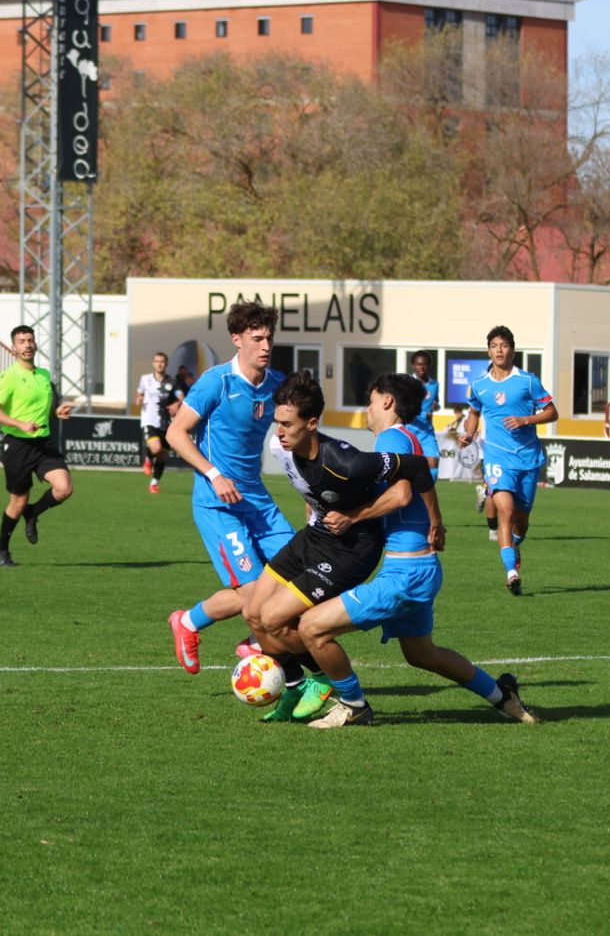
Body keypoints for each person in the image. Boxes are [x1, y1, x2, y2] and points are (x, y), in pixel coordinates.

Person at [294, 373, 538, 729]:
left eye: (371, 400)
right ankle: (502, 696)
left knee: (311, 627)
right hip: (416, 567)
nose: (367, 408)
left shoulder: (392, 437)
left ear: (388, 402)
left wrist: (351, 516)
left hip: (406, 573)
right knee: (422, 654)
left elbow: (402, 495)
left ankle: (353, 705)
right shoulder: (406, 437)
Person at [240, 370, 441, 726]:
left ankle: (320, 680)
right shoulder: (279, 446)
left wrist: (435, 520)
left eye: (287, 424)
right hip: (315, 537)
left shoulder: (348, 462)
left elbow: (414, 470)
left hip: (351, 550)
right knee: (254, 614)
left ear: (313, 423)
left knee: (274, 617)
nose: (279, 432)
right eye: (276, 422)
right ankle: (294, 685)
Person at [165, 301, 293, 675]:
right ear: (237, 340)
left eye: (269, 337)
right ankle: (187, 622)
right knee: (252, 591)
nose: (265, 345)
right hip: (216, 502)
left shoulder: (277, 385)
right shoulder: (216, 381)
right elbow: (176, 432)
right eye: (257, 338)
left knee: (306, 573)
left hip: (257, 501)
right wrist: (214, 474)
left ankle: (254, 641)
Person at [458, 326, 557, 596]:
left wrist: (527, 419)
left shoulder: (527, 382)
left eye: (503, 345)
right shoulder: (480, 385)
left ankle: (514, 543)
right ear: (488, 351)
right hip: (496, 455)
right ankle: (511, 572)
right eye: (494, 345)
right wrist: (468, 432)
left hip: (528, 457)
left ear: (512, 349)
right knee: (506, 511)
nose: (499, 350)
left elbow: (552, 412)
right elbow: (474, 413)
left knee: (521, 522)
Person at [0, 325, 76, 567]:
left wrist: (57, 411)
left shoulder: (44, 375)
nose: (27, 344)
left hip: (42, 443)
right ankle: (1, 547)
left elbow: (47, 408)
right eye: (21, 341)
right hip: (17, 445)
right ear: (13, 347)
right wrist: (18, 424)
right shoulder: (9, 376)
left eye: (30, 340)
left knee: (64, 488)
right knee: (18, 501)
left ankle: (33, 513)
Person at [135, 350, 182, 495]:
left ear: (166, 364)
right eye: (157, 361)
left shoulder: (172, 382)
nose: (159, 364)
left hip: (166, 423)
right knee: (155, 448)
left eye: (162, 361)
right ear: (153, 363)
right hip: (149, 420)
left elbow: (182, 397)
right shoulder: (145, 379)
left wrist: (177, 404)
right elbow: (139, 393)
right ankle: (148, 459)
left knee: (162, 456)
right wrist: (138, 399)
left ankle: (154, 484)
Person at [405, 350, 440, 465]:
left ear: (428, 366)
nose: (421, 367)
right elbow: (404, 406)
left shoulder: (434, 385)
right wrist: (424, 414)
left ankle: (429, 484)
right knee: (408, 467)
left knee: (433, 464)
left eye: (424, 364)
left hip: (426, 431)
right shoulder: (407, 383)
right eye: (418, 364)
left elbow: (436, 402)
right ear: (413, 365)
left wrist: (436, 406)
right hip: (409, 429)